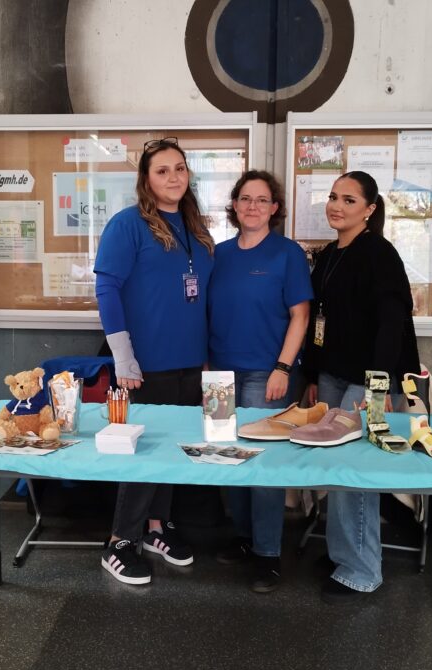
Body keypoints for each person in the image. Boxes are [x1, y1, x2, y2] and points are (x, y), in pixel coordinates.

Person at [94, 137, 215, 585]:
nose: (174, 177)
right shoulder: (128, 225)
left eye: (180, 169)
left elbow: (199, 296)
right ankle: (119, 542)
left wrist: (204, 359)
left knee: (170, 452)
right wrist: (123, 359)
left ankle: (155, 529)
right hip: (144, 366)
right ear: (146, 179)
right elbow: (106, 289)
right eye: (162, 170)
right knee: (142, 455)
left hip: (188, 363)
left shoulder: (195, 227)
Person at [301, 170, 420, 601]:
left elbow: (392, 326)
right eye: (334, 197)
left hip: (368, 381)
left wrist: (379, 386)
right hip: (332, 374)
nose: (337, 205)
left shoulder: (379, 254)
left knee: (357, 472)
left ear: (370, 210)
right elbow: (320, 320)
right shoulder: (332, 253)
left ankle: (363, 571)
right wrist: (313, 376)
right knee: (336, 470)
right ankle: (341, 555)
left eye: (349, 200)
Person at [207, 170, 313, 593]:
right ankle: (245, 539)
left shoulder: (287, 254)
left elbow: (300, 316)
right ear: (234, 205)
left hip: (266, 373)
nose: (253, 206)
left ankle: (268, 553)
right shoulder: (218, 254)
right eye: (245, 198)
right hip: (219, 373)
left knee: (262, 461)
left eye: (262, 199)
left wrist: (283, 369)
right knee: (228, 455)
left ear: (275, 207)